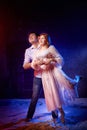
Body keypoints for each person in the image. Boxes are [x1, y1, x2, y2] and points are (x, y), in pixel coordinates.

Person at [31, 33, 81, 123]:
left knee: (55, 93)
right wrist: (36, 64)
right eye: (40, 38)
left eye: (43, 38)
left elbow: (60, 59)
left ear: (46, 40)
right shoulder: (37, 51)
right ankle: (55, 115)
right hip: (44, 75)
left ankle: (62, 113)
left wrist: (51, 60)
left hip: (52, 73)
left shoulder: (51, 48)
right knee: (49, 95)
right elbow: (34, 64)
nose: (41, 40)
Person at [23, 32, 58, 122]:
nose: (30, 37)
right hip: (38, 77)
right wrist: (34, 63)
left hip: (49, 75)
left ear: (38, 38)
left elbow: (55, 58)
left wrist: (48, 61)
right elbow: (25, 65)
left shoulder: (45, 46)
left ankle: (55, 117)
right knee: (34, 97)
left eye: (32, 35)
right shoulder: (28, 50)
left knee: (52, 95)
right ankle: (29, 116)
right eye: (29, 36)